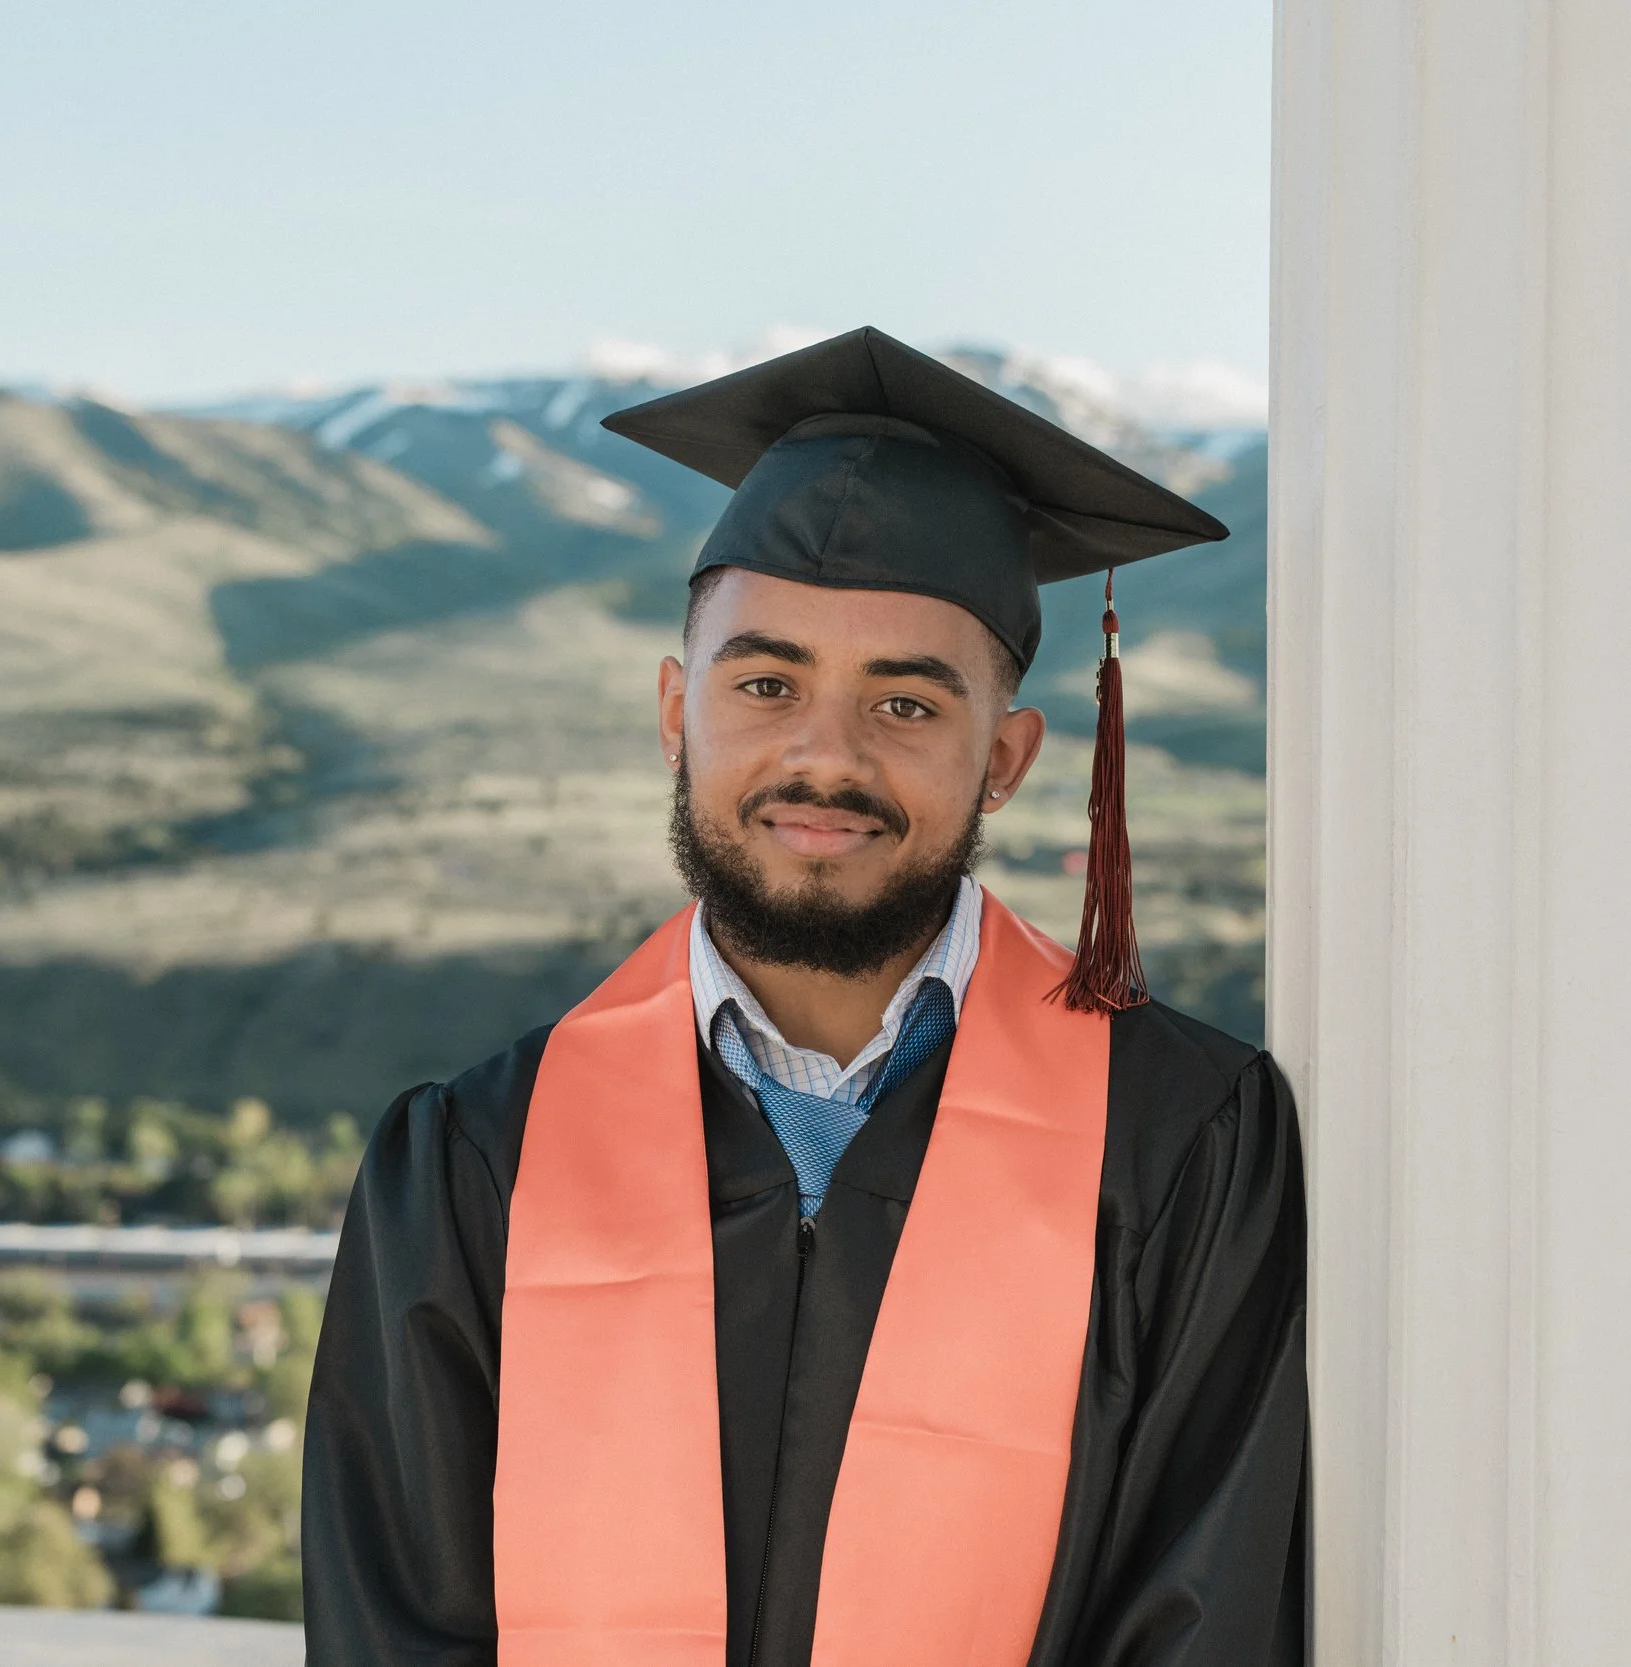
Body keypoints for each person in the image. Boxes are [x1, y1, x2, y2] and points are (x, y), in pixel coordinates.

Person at [302, 327, 1307, 1667]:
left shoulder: (1186, 1143)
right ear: (676, 714)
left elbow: (1205, 1621)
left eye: (905, 705)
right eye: (766, 683)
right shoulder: (478, 1163)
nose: (823, 757)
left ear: (1005, 757)